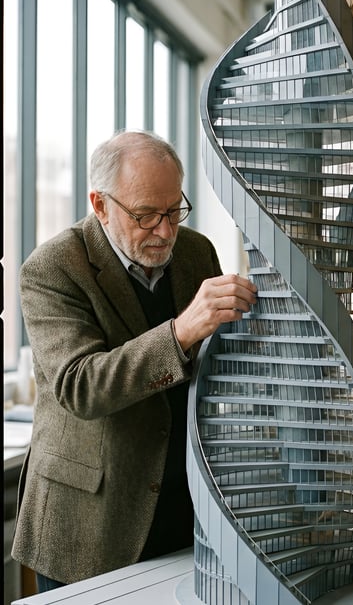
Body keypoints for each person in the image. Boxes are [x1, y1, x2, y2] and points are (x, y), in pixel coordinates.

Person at [12, 131, 258, 592]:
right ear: (100, 204)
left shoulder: (195, 251)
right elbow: (79, 386)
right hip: (90, 522)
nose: (165, 231)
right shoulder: (53, 268)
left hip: (181, 507)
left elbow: (208, 362)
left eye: (173, 211)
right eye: (146, 216)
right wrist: (182, 330)